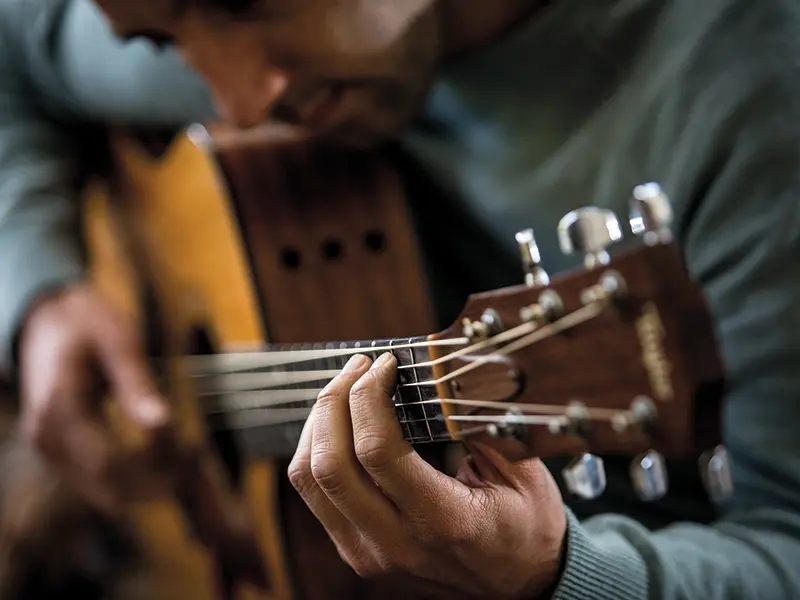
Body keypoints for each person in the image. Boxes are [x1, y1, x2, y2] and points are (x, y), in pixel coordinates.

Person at [1, 0, 799, 598]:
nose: (240, 102)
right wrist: (39, 293)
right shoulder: (208, 20)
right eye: (160, 39)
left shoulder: (754, 102)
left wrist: (557, 573)